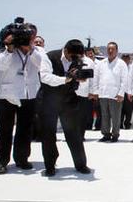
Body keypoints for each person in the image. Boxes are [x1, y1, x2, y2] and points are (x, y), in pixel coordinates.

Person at [38, 39, 95, 176]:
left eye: (77, 57)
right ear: (66, 50)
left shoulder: (78, 59)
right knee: (48, 135)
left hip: (68, 100)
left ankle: (81, 164)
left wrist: (80, 78)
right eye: (72, 56)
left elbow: (79, 78)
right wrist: (65, 79)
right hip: (48, 100)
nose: (73, 59)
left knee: (74, 133)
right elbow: (45, 77)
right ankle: (50, 166)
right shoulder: (50, 56)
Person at [0, 28, 42, 174]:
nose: (29, 39)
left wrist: (30, 50)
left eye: (31, 36)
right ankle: (1, 161)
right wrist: (9, 49)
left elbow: (41, 65)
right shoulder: (7, 52)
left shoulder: (35, 52)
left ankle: (22, 159)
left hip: (28, 95)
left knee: (25, 129)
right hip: (7, 96)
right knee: (4, 130)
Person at [93, 42, 128, 142]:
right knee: (104, 115)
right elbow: (96, 78)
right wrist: (96, 91)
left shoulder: (121, 64)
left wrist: (121, 93)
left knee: (116, 116)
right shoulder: (101, 63)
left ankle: (115, 134)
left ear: (117, 50)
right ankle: (106, 134)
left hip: (115, 95)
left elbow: (124, 80)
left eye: (112, 49)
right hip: (103, 93)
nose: (110, 51)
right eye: (109, 49)